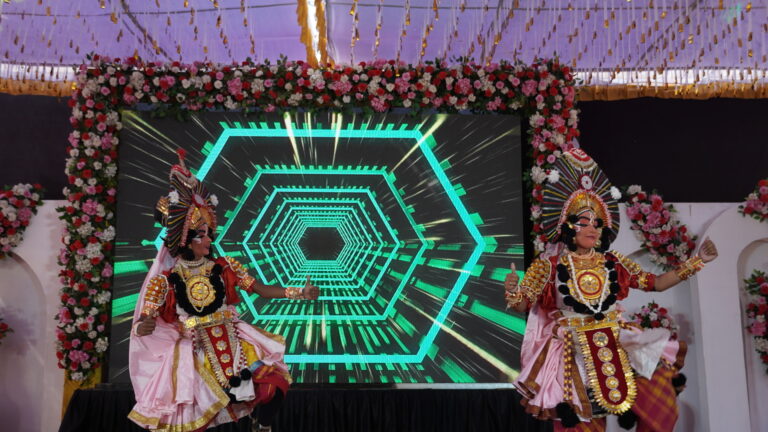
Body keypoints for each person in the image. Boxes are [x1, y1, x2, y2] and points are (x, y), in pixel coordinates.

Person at [504, 149, 717, 432]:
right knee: (582, 422)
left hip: (615, 338)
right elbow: (523, 305)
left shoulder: (614, 262)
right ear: (568, 226)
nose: (592, 228)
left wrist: (697, 262)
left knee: (660, 399)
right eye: (584, 222)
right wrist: (513, 291)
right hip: (572, 349)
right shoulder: (548, 265)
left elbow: (656, 283)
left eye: (597, 223)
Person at [128, 149, 319, 432]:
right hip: (197, 352)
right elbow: (147, 318)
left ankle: (261, 426)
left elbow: (261, 289)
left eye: (209, 233)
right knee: (194, 418)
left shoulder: (225, 266)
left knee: (274, 384)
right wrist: (143, 325)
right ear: (185, 239)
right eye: (201, 234)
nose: (208, 239)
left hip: (234, 340)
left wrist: (299, 293)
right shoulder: (165, 281)